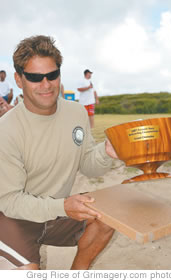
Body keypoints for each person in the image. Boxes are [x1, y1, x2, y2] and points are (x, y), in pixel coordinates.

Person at [0, 35, 118, 270]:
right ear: (19, 80)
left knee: (109, 217)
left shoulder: (76, 113)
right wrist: (62, 206)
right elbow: (9, 201)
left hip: (56, 212)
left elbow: (87, 164)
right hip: (14, 218)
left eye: (52, 75)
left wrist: (107, 153)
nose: (46, 84)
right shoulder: (6, 130)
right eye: (35, 77)